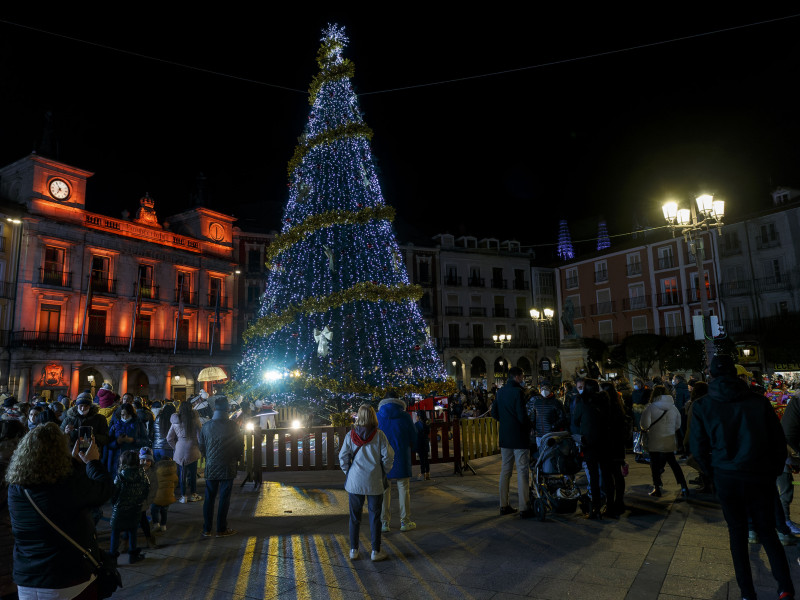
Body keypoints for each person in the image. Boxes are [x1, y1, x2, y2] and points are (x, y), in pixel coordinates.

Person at [691, 354, 794, 600]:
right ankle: (785, 588)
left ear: (711, 375)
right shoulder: (758, 402)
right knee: (768, 532)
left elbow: (697, 447)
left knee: (737, 534)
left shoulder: (703, 405)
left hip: (726, 475)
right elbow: (778, 442)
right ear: (737, 374)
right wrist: (773, 470)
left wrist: (712, 471)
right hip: (759, 474)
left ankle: (747, 592)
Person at [6, 422, 113, 598]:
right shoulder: (66, 485)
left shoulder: (16, 488)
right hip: (66, 578)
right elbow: (104, 490)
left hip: (28, 577)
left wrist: (74, 462)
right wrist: (92, 462)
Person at [339, 403, 394, 562]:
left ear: (359, 416)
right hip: (374, 480)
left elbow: (343, 457)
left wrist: (348, 472)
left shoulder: (350, 435)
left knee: (354, 517)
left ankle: (353, 550)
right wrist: (385, 470)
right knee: (375, 516)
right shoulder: (379, 435)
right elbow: (389, 456)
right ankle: (375, 551)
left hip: (355, 481)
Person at [491, 366, 533, 518]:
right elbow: (522, 416)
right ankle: (524, 507)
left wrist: (506, 422)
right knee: (522, 471)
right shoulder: (518, 393)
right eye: (522, 377)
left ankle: (503, 505)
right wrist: (530, 426)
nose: (523, 380)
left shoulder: (500, 392)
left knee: (505, 470)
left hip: (505, 437)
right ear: (517, 377)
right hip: (519, 437)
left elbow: (494, 413)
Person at [199, 395, 241, 537]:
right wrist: (237, 458)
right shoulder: (233, 426)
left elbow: (202, 446)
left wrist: (208, 457)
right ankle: (221, 529)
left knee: (209, 497)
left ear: (214, 408)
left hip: (211, 465)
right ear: (227, 408)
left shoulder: (206, 426)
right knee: (224, 497)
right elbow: (239, 445)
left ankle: (206, 529)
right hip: (227, 465)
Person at [376, 390, 417, 532]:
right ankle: (405, 521)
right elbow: (413, 436)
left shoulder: (378, 416)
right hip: (401, 455)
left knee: (384, 490)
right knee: (404, 488)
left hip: (383, 457)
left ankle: (384, 523)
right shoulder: (405, 416)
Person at [574, 378, 615, 519]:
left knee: (593, 476)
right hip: (605, 441)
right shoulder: (605, 401)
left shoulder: (583, 402)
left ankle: (596, 507)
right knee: (607, 475)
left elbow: (575, 420)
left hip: (590, 443)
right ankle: (610, 506)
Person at [640, 385, 688, 498]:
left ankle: (657, 487)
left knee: (654, 465)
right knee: (673, 463)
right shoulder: (672, 407)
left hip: (655, 439)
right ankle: (683, 486)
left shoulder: (650, 407)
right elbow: (678, 424)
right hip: (668, 438)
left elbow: (644, 425)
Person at [110, 449, 149, 563]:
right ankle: (133, 555)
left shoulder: (120, 475)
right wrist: (139, 501)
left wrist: (115, 504)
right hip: (135, 507)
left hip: (120, 508)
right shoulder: (142, 475)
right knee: (133, 531)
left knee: (115, 532)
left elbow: (114, 492)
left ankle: (113, 557)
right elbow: (146, 489)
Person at [167, 399, 203, 503]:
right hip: (192, 448)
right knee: (192, 474)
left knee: (181, 473)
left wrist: (175, 447)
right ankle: (193, 494)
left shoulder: (175, 421)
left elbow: (169, 438)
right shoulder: (195, 420)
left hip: (180, 448)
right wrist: (200, 446)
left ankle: (183, 496)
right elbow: (200, 436)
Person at [62, 390, 111, 454]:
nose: (83, 408)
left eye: (86, 406)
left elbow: (106, 438)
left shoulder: (99, 419)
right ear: (77, 405)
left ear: (90, 406)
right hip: (72, 452)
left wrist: (93, 437)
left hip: (92, 453)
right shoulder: (69, 419)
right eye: (81, 405)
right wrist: (66, 432)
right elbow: (60, 436)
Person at [107, 402, 148, 475]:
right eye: (123, 415)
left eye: (127, 414)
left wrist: (133, 440)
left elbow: (145, 441)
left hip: (134, 458)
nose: (125, 417)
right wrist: (117, 442)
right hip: (118, 458)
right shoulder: (115, 426)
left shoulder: (138, 424)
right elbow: (108, 443)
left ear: (131, 414)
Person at [151, 454, 178, 534]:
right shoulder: (174, 474)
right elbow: (175, 484)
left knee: (154, 510)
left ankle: (156, 524)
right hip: (168, 497)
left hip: (157, 497)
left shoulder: (156, 472)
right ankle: (163, 526)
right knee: (164, 511)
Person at [413, 410, 431, 480]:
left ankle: (422, 473)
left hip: (419, 443)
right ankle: (428, 474)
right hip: (425, 442)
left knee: (421, 459)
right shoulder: (427, 423)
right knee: (426, 458)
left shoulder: (417, 424)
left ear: (419, 417)